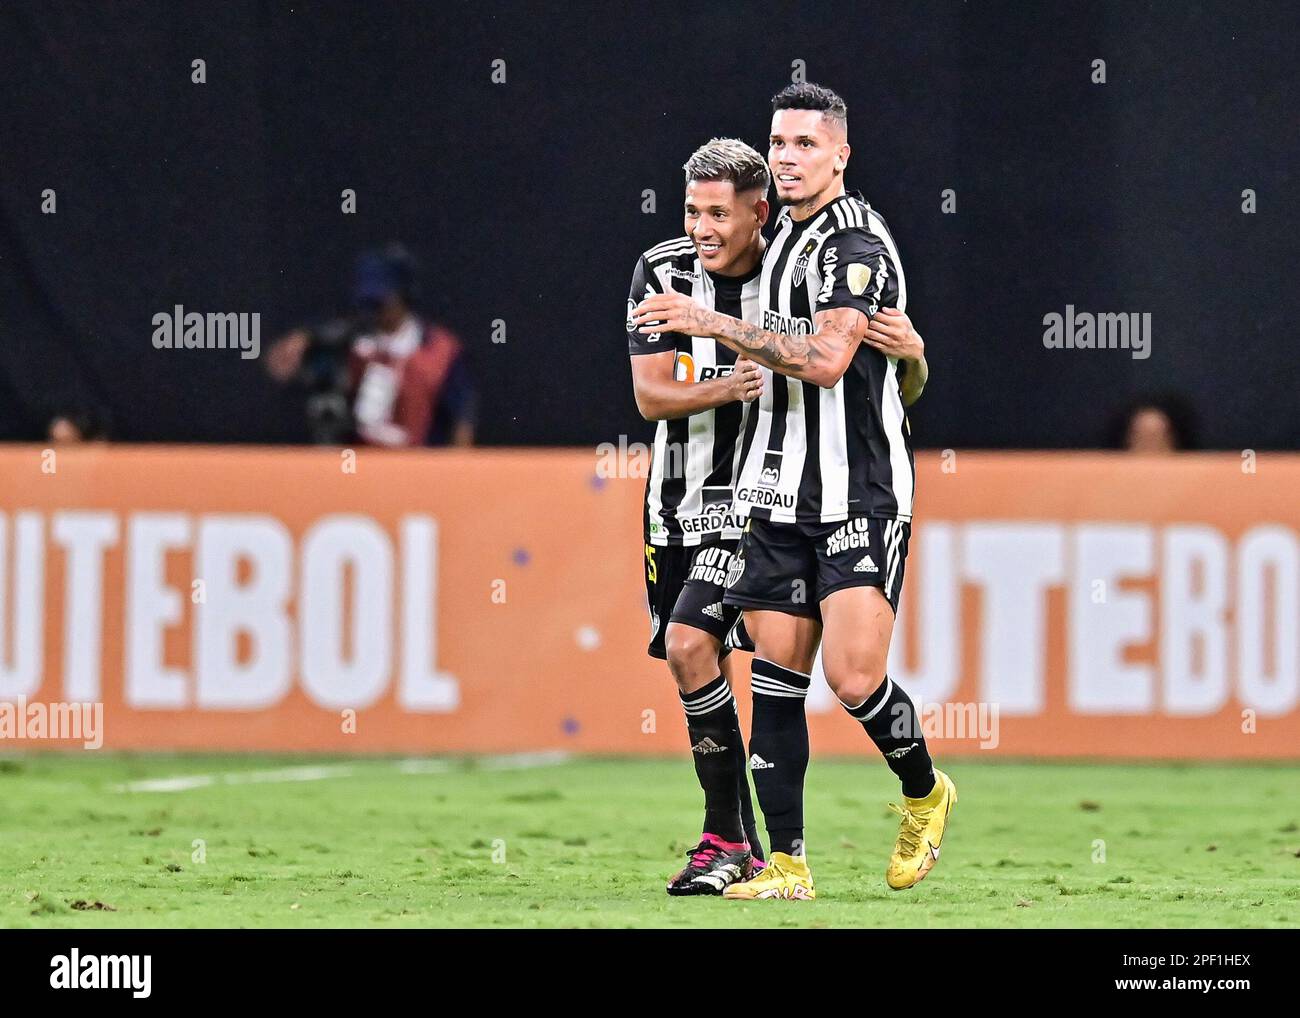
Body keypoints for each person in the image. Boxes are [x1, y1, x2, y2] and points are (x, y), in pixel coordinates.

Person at [633, 83, 951, 901]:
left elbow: (828, 362)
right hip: (773, 496)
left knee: (852, 681)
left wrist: (714, 328)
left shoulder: (853, 240)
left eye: (806, 144)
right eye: (779, 143)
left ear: (841, 153)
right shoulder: (782, 243)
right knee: (776, 677)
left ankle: (924, 789)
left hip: (858, 494)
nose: (788, 156)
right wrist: (913, 360)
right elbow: (888, 372)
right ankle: (787, 865)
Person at [626, 138, 770, 895]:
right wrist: (730, 384)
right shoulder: (662, 270)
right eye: (693, 209)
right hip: (673, 509)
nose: (703, 227)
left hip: (767, 507)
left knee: (698, 648)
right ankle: (741, 844)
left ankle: (744, 842)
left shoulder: (791, 270)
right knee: (696, 659)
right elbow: (650, 397)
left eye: (719, 212)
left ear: (759, 213)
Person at [266, 245, 477, 447]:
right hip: (358, 468)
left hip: (417, 468)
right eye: (367, 302)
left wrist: (455, 472)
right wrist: (301, 346)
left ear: (403, 295)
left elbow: (462, 418)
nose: (374, 311)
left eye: (380, 301)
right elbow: (281, 366)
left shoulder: (440, 350)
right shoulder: (347, 340)